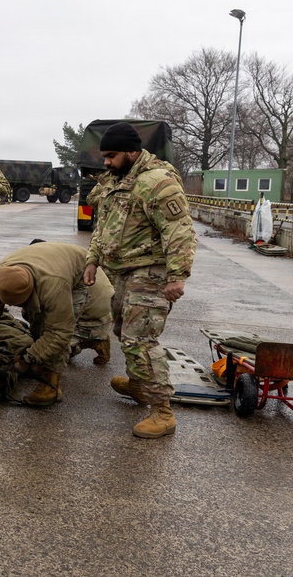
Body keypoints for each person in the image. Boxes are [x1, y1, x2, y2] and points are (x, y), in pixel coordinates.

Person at [83, 122, 196, 439]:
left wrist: (177, 276)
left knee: (140, 340)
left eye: (112, 155)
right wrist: (93, 260)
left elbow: (180, 232)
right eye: (104, 155)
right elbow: (103, 225)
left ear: (132, 151)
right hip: (123, 271)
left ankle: (162, 411)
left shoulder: (157, 182)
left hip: (151, 271)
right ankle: (138, 384)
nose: (106, 161)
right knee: (121, 329)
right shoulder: (116, 180)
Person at [0, 242, 113, 404]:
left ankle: (51, 385)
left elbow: (59, 333)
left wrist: (29, 358)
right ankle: (43, 361)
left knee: (54, 329)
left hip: (77, 270)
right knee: (36, 325)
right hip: (46, 265)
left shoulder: (54, 285)